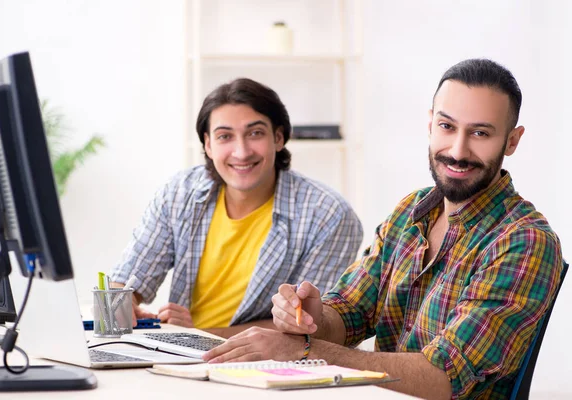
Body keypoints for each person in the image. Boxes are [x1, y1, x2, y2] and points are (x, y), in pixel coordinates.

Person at [203, 60, 564, 399]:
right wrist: (316, 319)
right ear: (430, 124)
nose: (457, 149)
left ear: (512, 141)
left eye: (480, 133)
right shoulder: (410, 212)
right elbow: (350, 309)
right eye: (447, 126)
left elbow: (444, 378)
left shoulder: (525, 241)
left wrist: (305, 351)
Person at [110, 78, 363, 338]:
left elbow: (307, 326)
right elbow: (126, 281)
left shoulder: (328, 215)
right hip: (177, 355)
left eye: (255, 133)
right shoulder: (179, 193)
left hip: (266, 367)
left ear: (278, 138)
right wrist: (123, 309)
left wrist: (196, 334)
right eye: (225, 136)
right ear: (208, 145)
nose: (241, 152)